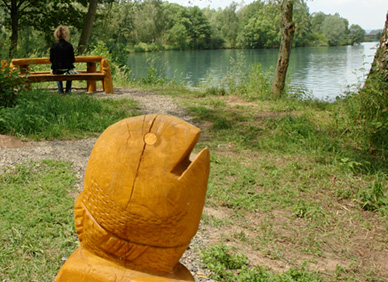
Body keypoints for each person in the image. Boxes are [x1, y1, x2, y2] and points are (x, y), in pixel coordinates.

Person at [50, 25, 76, 94]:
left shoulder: (54, 46)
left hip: (57, 69)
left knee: (57, 72)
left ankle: (60, 90)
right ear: (66, 35)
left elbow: (51, 59)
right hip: (67, 69)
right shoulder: (69, 46)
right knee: (70, 72)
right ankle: (68, 90)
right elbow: (72, 59)